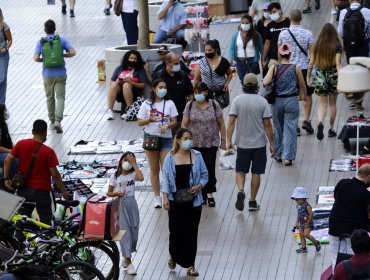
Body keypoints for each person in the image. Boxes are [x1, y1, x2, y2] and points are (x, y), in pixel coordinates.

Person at [3, 120, 70, 225]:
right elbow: (55, 175)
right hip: (42, 192)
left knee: (21, 221)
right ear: (45, 133)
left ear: (32, 131)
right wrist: (64, 191)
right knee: (47, 222)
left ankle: (21, 240)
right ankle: (47, 240)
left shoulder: (21, 144)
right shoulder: (48, 152)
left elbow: (7, 160)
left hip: (23, 190)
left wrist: (6, 178)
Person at [161, 128, 208, 277]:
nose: (188, 140)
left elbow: (205, 175)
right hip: (176, 202)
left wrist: (199, 185)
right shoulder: (170, 157)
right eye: (185, 138)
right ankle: (174, 255)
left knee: (191, 232)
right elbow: (166, 180)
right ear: (178, 140)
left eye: (190, 137)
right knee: (176, 232)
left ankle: (190, 265)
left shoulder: (197, 156)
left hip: (194, 202)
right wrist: (165, 197)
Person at [227, 73, 274, 211]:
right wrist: (272, 143)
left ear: (243, 86)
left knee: (240, 170)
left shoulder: (237, 100)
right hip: (259, 144)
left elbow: (231, 121)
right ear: (257, 86)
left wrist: (228, 140)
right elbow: (267, 124)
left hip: (242, 143)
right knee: (256, 173)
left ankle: (241, 190)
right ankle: (252, 202)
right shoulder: (262, 101)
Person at [181, 82, 226, 207]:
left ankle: (209, 193)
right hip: (194, 143)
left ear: (206, 92)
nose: (197, 95)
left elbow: (221, 123)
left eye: (199, 92)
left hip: (211, 142)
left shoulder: (214, 105)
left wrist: (224, 141)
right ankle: (198, 193)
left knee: (209, 167)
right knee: (196, 169)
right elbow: (184, 124)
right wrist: (184, 140)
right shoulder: (190, 105)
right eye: (195, 93)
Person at [263, 44, 307, 166]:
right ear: (290, 54)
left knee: (278, 128)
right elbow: (303, 84)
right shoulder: (295, 68)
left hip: (278, 101)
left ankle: (278, 154)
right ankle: (288, 157)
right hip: (292, 100)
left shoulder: (274, 67)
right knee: (291, 128)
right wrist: (304, 96)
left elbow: (265, 82)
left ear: (279, 54)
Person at [137, 79, 178, 208]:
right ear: (154, 89)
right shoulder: (146, 104)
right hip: (151, 139)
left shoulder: (170, 103)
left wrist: (168, 125)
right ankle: (157, 197)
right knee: (154, 169)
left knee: (166, 168)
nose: (163, 90)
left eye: (165, 87)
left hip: (166, 139)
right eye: (160, 87)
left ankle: (166, 194)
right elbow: (139, 122)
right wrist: (148, 119)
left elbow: (175, 121)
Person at [33, 19, 76, 134]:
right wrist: (63, 56)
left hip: (47, 74)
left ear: (45, 30)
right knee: (60, 97)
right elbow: (73, 52)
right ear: (55, 29)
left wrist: (44, 60)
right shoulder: (61, 40)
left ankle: (52, 121)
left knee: (50, 98)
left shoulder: (41, 42)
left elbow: (36, 57)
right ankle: (58, 121)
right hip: (61, 73)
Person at [278, 9, 315, 135]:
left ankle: (295, 126)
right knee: (307, 95)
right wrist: (311, 68)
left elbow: (280, 53)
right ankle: (307, 121)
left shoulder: (283, 34)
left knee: (292, 97)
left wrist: (279, 68)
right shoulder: (308, 33)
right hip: (304, 68)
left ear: (289, 18)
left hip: (289, 69)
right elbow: (312, 53)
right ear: (301, 18)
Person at [107, 152, 144, 275]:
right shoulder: (116, 176)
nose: (127, 162)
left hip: (132, 205)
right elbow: (109, 192)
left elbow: (141, 177)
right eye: (125, 159)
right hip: (120, 205)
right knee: (124, 233)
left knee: (134, 232)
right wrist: (117, 194)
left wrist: (134, 162)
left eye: (130, 160)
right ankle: (129, 261)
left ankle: (126, 256)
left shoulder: (133, 174)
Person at [328, 164, 370, 270]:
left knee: (335, 257)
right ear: (368, 177)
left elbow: (335, 197)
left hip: (335, 226)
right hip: (354, 231)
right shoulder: (366, 194)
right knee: (352, 259)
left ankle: (336, 275)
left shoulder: (342, 183)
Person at [307, 23, 342, 140]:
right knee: (333, 104)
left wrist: (308, 77)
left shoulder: (316, 45)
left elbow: (311, 63)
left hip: (320, 76)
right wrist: (340, 74)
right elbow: (338, 64)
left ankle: (320, 123)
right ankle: (331, 129)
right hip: (333, 76)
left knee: (322, 105)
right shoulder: (337, 45)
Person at [338, 0, 370, 110]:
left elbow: (340, 31)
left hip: (349, 46)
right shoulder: (366, 11)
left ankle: (353, 98)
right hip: (363, 44)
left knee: (352, 69)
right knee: (362, 70)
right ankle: (359, 102)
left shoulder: (343, 12)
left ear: (349, 0)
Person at [156, 52, 193, 133]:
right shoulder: (159, 76)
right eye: (175, 63)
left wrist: (189, 109)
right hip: (164, 117)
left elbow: (190, 93)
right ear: (167, 63)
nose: (178, 65)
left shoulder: (183, 75)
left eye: (179, 62)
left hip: (180, 115)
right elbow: (154, 95)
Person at [106, 50, 147, 120]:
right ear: (127, 58)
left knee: (126, 85)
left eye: (135, 59)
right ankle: (110, 110)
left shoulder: (139, 70)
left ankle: (129, 110)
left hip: (134, 92)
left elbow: (143, 85)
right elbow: (111, 82)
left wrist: (130, 81)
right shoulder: (119, 68)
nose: (133, 60)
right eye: (131, 58)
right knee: (113, 85)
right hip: (120, 92)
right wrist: (117, 81)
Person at [193, 40, 233, 106]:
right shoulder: (201, 63)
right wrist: (195, 91)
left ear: (216, 50)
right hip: (206, 93)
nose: (207, 52)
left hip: (220, 93)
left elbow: (230, 74)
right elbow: (196, 79)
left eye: (210, 50)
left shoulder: (223, 61)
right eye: (206, 50)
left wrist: (226, 83)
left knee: (219, 113)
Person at [227, 15, 263, 84]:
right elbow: (231, 48)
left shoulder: (256, 35)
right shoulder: (235, 35)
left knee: (251, 81)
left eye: (246, 23)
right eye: (242, 23)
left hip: (252, 61)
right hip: (240, 61)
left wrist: (264, 60)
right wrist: (230, 58)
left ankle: (252, 94)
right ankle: (245, 94)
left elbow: (261, 48)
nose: (244, 25)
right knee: (242, 81)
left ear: (251, 24)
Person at [261, 2, 290, 72]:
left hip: (288, 57)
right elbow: (267, 43)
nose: (272, 14)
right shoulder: (269, 26)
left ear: (280, 10)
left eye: (274, 12)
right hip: (274, 58)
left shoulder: (289, 22)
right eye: (270, 13)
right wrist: (263, 59)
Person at [291, 187, 321, 253]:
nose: (297, 201)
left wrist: (308, 223)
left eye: (298, 200)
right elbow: (299, 215)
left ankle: (316, 242)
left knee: (306, 235)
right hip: (301, 223)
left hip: (308, 223)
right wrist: (297, 223)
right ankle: (303, 248)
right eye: (296, 200)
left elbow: (311, 215)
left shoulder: (307, 206)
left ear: (304, 198)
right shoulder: (298, 206)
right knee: (301, 235)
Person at [0, 105, 17, 182]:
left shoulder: (4, 125)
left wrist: (16, 149)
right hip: (2, 153)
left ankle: (15, 179)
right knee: (11, 159)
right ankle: (4, 180)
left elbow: (9, 141)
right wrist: (11, 151)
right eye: (5, 111)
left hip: (6, 151)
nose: (6, 113)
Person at [0, 9, 12, 106]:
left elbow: (10, 40)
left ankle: (2, 104)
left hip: (2, 55)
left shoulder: (3, 25)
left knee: (2, 78)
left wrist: (6, 47)